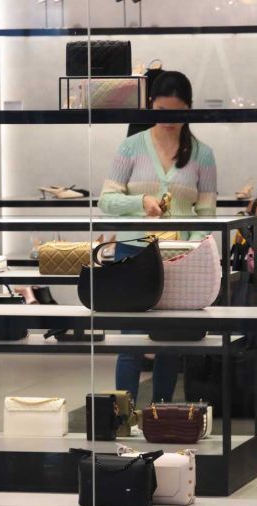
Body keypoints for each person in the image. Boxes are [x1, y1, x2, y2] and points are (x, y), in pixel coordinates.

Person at [99, 71, 217, 403]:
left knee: (169, 344)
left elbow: (207, 213)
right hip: (133, 253)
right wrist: (140, 203)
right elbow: (106, 200)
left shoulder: (202, 154)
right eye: (162, 111)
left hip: (177, 256)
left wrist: (189, 248)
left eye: (177, 113)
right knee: (130, 342)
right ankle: (122, 417)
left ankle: (160, 415)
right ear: (151, 105)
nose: (168, 120)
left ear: (189, 110)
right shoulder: (131, 146)